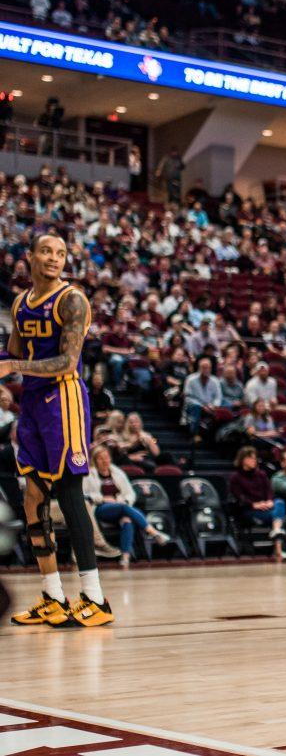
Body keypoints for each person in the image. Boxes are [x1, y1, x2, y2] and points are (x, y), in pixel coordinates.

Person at [3, 233, 114, 627]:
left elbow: (68, 362)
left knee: (69, 493)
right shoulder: (20, 302)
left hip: (63, 400)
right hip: (32, 404)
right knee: (32, 497)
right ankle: (53, 596)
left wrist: (12, 368)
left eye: (61, 253)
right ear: (29, 257)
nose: (54, 258)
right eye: (47, 251)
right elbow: (13, 353)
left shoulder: (72, 299)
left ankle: (96, 599)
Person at [83, 445, 170, 568]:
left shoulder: (117, 472)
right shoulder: (89, 474)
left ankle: (125, 557)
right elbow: (84, 494)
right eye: (101, 458)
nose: (105, 461)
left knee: (127, 520)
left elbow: (130, 493)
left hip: (120, 506)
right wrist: (103, 498)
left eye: (107, 457)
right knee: (124, 508)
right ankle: (152, 531)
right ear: (95, 460)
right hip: (100, 508)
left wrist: (123, 500)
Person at [229, 447, 286, 559]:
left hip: (267, 506)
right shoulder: (235, 478)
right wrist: (253, 504)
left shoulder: (261, 474)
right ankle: (279, 550)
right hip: (250, 510)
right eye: (251, 458)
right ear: (243, 459)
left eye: (255, 458)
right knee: (279, 517)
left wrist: (269, 501)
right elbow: (239, 497)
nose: (254, 461)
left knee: (279, 503)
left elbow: (269, 491)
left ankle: (276, 532)